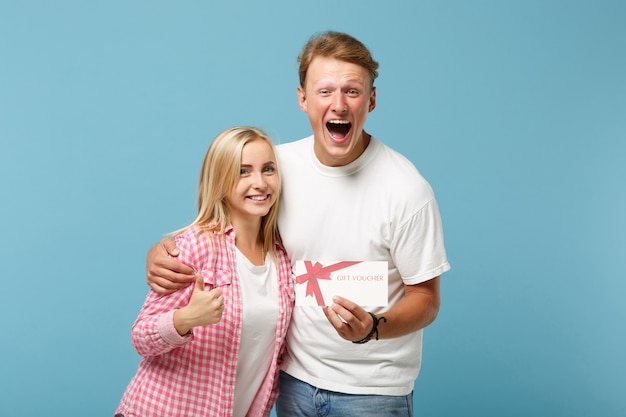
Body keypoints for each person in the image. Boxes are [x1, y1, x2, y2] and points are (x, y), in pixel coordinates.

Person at [146, 31, 450, 417]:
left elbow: (426, 300)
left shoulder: (407, 189)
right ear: (302, 99)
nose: (338, 104)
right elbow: (223, 221)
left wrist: (372, 326)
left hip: (373, 392)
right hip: (293, 383)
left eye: (352, 92)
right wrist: (162, 252)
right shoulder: (276, 169)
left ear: (371, 100)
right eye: (324, 91)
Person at [115, 126, 294, 417]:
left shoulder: (283, 257)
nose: (260, 183)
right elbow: (141, 338)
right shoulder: (197, 247)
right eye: (243, 171)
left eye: (268, 169)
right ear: (220, 181)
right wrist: (184, 319)